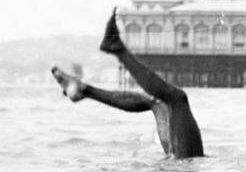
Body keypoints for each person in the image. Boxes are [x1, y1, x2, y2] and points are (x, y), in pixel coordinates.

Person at [50, 9, 204, 159]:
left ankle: (114, 52)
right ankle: (85, 90)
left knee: (177, 98)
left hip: (183, 165)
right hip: (186, 168)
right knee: (159, 102)